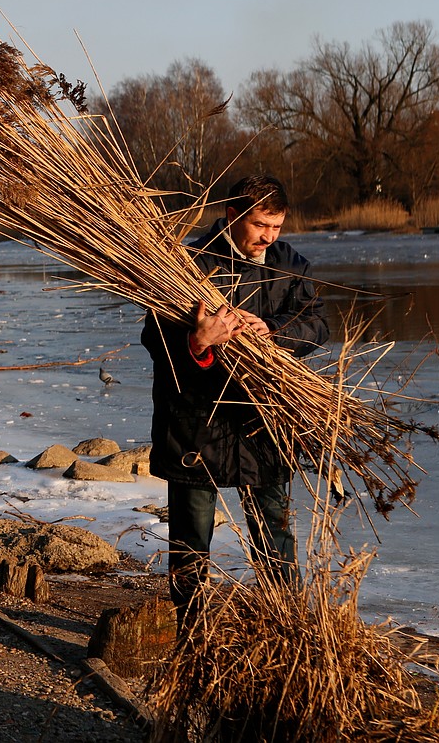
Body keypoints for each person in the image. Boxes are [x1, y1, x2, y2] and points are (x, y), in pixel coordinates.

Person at [140, 175, 329, 628]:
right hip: (195, 426)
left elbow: (318, 323)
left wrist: (275, 332)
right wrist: (198, 342)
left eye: (277, 227)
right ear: (232, 215)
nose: (269, 237)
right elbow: (154, 338)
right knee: (190, 540)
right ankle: (191, 631)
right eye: (261, 225)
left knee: (275, 536)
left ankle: (290, 629)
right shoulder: (185, 266)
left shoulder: (289, 265)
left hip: (263, 423)